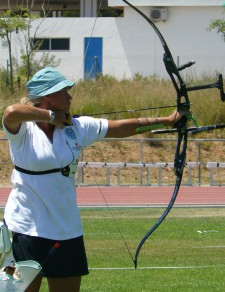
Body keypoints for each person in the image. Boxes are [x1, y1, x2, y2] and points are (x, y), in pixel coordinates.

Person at [2, 67, 184, 292]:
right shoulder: (23, 131)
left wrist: (166, 120)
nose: (70, 96)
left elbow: (123, 127)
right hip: (26, 230)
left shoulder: (76, 127)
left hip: (66, 231)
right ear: (48, 96)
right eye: (64, 91)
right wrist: (52, 117)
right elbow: (11, 112)